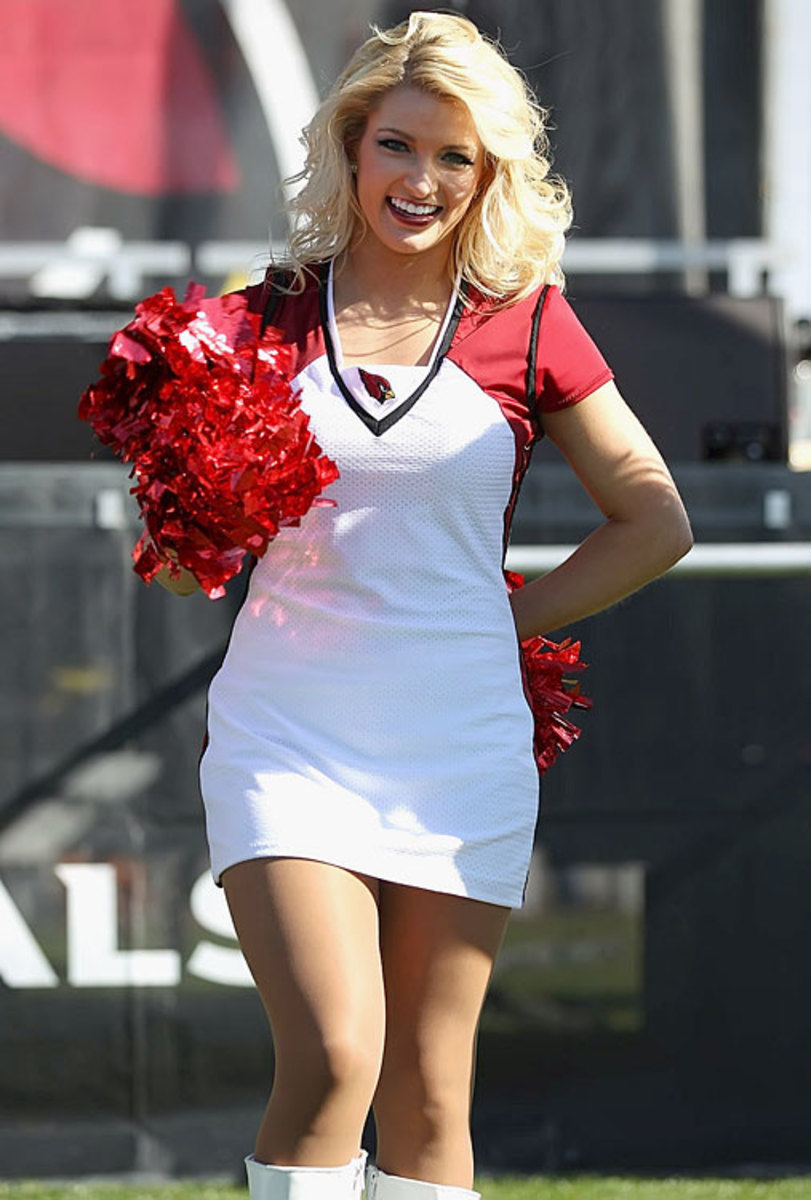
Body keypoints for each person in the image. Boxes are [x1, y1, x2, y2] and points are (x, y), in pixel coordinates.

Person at [157, 12, 692, 1200]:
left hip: (457, 737)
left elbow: (654, 519)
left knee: (429, 1094)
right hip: (288, 728)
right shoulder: (258, 319)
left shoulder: (529, 320)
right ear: (352, 148)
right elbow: (175, 517)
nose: (423, 180)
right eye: (399, 145)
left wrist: (501, 627)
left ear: (490, 172)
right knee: (337, 1053)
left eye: (457, 157)